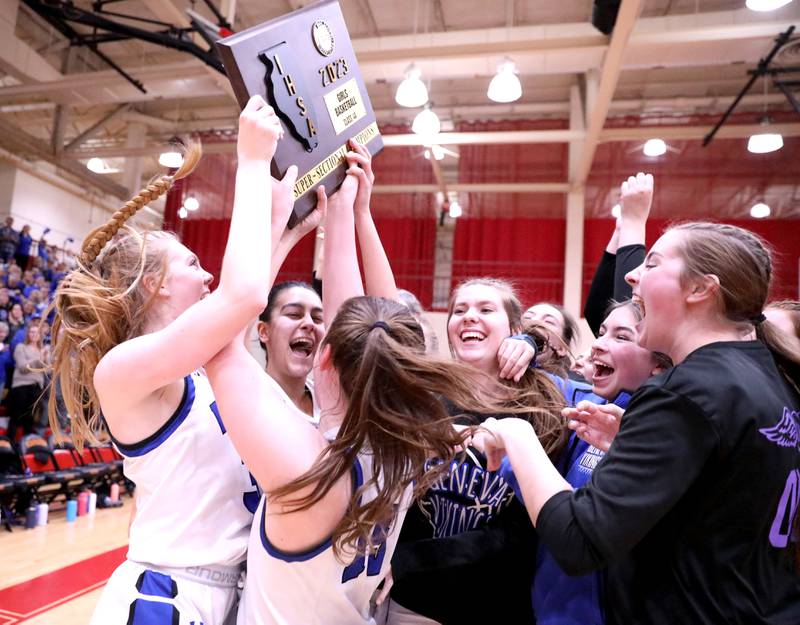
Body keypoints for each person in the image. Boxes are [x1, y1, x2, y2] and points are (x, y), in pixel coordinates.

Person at [202, 161, 516, 625]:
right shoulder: (406, 450)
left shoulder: (306, 468)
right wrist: (344, 210)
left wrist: (275, 222)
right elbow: (362, 323)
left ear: (324, 358)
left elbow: (220, 341)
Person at [474, 221, 800, 624]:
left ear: (700, 289)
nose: (631, 275)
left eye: (652, 263)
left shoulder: (687, 392)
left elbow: (579, 541)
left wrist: (516, 434)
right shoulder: (766, 374)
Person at [47, 95, 289, 625]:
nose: (207, 276)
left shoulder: (204, 365)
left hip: (231, 589)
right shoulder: (122, 370)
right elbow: (243, 296)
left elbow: (242, 306)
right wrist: (248, 161)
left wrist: (282, 219)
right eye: (194, 263)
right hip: (166, 597)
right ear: (154, 285)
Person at [387, 277, 566, 625]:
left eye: (485, 309)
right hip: (413, 602)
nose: (469, 316)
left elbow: (521, 532)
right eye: (459, 310)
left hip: (494, 603)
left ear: (514, 329)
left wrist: (410, 559)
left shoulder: (541, 406)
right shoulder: (424, 397)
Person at [256, 280, 324, 420]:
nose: (310, 323)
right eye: (294, 314)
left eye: (317, 318)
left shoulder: (334, 400)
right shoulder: (247, 398)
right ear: (264, 331)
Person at [7, 322, 48, 442]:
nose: (34, 334)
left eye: (37, 332)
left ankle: (27, 444)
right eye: (32, 332)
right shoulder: (21, 347)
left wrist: (45, 357)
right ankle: (10, 443)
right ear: (28, 334)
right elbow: (22, 367)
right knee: (16, 415)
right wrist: (38, 358)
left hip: (37, 387)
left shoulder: (42, 350)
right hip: (21, 386)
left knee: (30, 418)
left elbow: (46, 369)